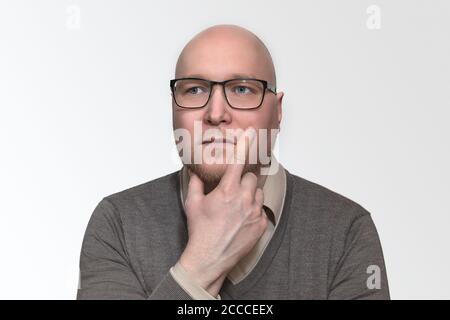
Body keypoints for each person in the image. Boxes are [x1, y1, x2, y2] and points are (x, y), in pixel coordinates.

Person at [77, 24, 390, 300]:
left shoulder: (346, 230)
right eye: (195, 89)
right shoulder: (118, 223)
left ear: (277, 111)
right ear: (174, 108)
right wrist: (199, 267)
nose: (215, 114)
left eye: (242, 89)